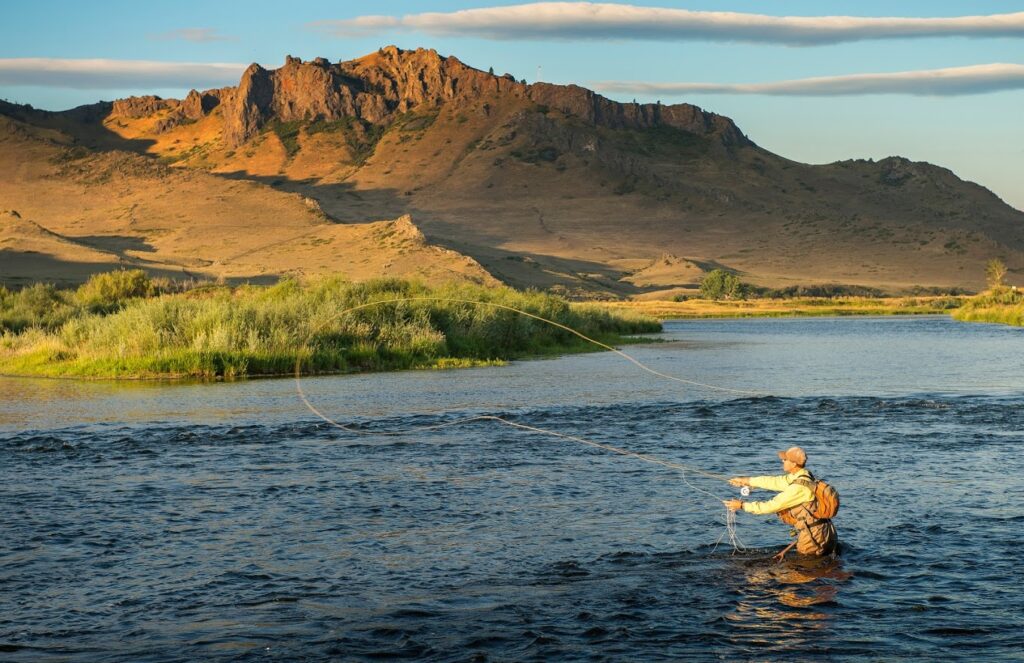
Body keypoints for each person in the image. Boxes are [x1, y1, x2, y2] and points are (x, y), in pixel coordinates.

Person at [722, 446, 838, 561]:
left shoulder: (798, 487)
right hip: (822, 530)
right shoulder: (804, 476)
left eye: (785, 459)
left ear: (793, 464)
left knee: (804, 570)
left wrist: (742, 506)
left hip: (814, 534)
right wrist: (746, 480)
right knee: (816, 567)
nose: (782, 461)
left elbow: (771, 506)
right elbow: (774, 481)